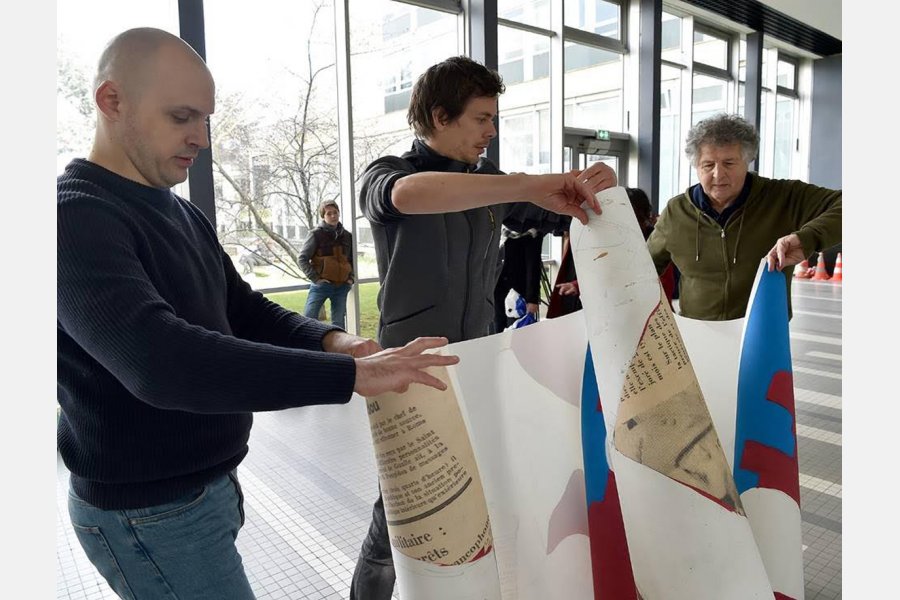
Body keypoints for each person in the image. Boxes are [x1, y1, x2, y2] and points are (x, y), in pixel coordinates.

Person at [57, 28, 460, 600]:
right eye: (181, 117)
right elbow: (160, 361)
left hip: (206, 484)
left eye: (206, 119)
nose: (201, 138)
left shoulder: (178, 212)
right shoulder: (73, 219)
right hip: (148, 509)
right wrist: (349, 378)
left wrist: (337, 343)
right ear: (110, 101)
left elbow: (242, 309)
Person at [351, 55, 617, 600]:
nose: (491, 132)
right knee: (400, 500)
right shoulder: (388, 173)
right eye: (480, 119)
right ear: (440, 117)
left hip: (480, 360)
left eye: (495, 119)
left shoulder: (493, 183)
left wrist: (603, 189)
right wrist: (521, 184)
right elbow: (410, 197)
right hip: (412, 367)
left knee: (485, 482)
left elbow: (567, 212)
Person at [647, 113, 842, 320]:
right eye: (708, 165)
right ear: (697, 166)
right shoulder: (676, 212)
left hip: (764, 333)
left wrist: (808, 238)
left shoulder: (784, 197)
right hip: (698, 335)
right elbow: (642, 267)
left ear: (748, 161)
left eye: (729, 163)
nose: (718, 174)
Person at [548, 187, 663, 316]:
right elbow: (604, 272)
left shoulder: (653, 241)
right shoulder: (614, 237)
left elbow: (659, 283)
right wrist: (577, 285)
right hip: (612, 309)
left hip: (645, 311)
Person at [298, 199, 354, 328]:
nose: (333, 216)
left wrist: (351, 278)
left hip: (342, 286)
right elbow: (302, 258)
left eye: (335, 212)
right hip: (321, 286)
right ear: (323, 216)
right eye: (329, 213)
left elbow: (351, 259)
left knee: (339, 324)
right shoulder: (315, 235)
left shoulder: (347, 236)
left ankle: (336, 348)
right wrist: (316, 279)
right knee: (308, 320)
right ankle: (308, 347)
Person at [492, 226, 545, 332]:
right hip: (497, 291)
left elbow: (533, 265)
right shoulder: (498, 231)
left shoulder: (531, 231)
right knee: (497, 331)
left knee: (517, 334)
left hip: (518, 295)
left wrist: (532, 299)